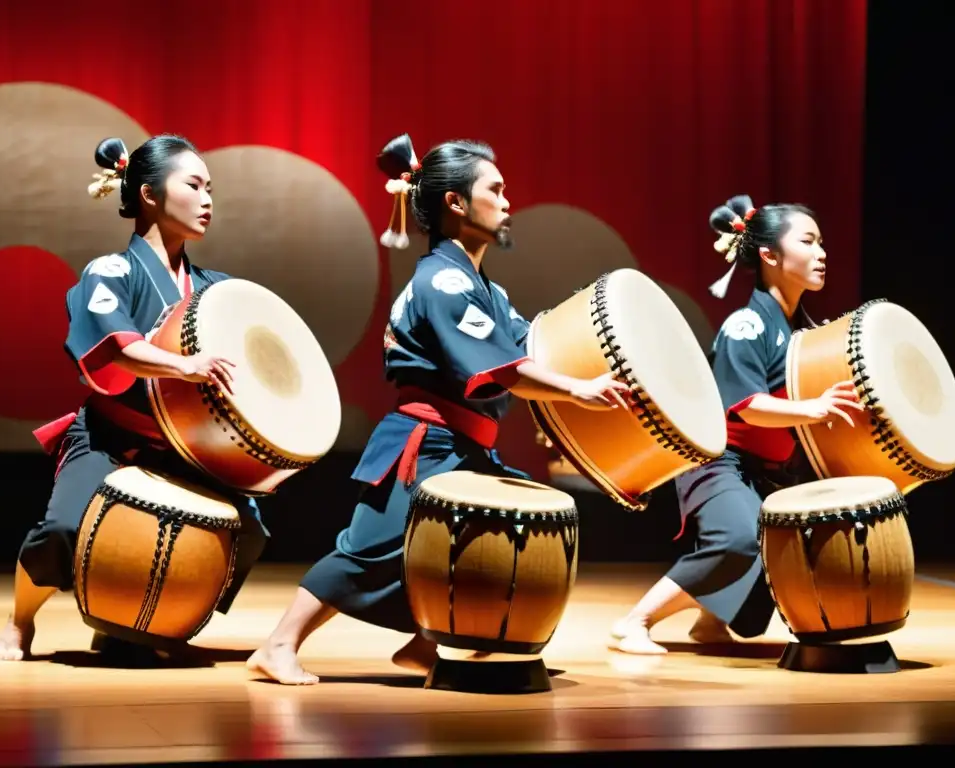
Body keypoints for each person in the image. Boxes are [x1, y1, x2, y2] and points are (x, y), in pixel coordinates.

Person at [246, 134, 631, 685]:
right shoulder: (443, 281)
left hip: (465, 445)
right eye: (494, 190)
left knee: (500, 526)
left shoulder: (486, 291)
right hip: (424, 442)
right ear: (456, 203)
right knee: (369, 550)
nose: (506, 202)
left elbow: (531, 347)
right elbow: (503, 370)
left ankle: (427, 644)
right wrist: (575, 390)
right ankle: (278, 645)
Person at [0, 135, 269, 662]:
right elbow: (116, 347)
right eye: (193, 185)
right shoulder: (111, 272)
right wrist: (186, 364)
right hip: (110, 437)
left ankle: (135, 623)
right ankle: (20, 620)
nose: (207, 198)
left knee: (247, 531)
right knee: (63, 527)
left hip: (185, 448)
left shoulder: (216, 289)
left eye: (211, 187)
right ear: (148, 194)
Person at [607, 194, 864, 654]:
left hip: (768, 470)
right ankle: (634, 621)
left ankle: (708, 622)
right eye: (808, 241)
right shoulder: (747, 325)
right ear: (769, 255)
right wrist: (815, 409)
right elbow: (745, 406)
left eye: (822, 242)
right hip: (719, 461)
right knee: (738, 539)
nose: (822, 253)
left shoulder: (803, 332)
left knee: (775, 563)